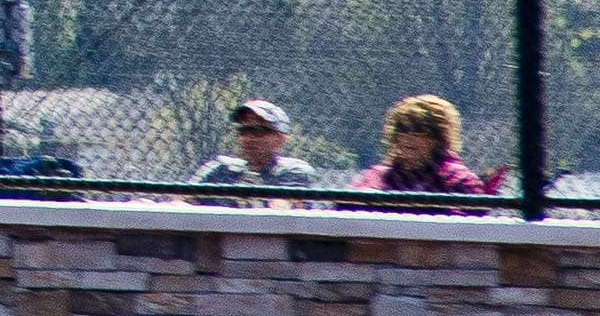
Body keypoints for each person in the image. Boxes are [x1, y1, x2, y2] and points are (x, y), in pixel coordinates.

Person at [352, 93, 496, 201]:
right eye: (402, 128)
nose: (409, 137)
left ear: (437, 138)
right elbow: (350, 210)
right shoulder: (377, 176)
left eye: (419, 129)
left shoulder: (458, 179)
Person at [190, 97, 321, 196]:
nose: (248, 138)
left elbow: (281, 213)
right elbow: (182, 203)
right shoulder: (220, 168)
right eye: (243, 131)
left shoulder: (294, 171)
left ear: (279, 138)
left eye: (258, 131)